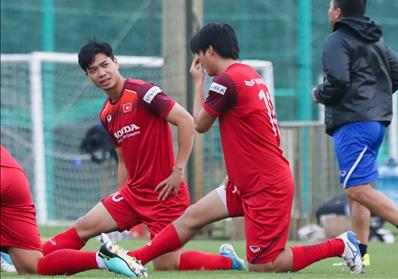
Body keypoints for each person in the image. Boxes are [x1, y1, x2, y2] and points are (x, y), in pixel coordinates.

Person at [104, 22, 364, 274]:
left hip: (265, 186)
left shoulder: (226, 81)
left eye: (199, 55)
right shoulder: (250, 74)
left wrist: (197, 82)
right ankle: (132, 258)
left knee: (265, 265)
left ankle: (340, 245)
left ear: (209, 51)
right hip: (245, 182)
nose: (200, 63)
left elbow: (199, 124)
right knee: (190, 218)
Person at [42, 41, 237, 272]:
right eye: (93, 70)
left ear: (116, 62)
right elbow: (123, 159)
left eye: (105, 65)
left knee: (166, 265)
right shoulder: (106, 113)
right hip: (133, 194)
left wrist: (178, 170)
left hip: (165, 194)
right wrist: (119, 194)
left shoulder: (143, 92)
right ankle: (26, 257)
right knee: (83, 226)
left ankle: (229, 262)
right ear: (87, 76)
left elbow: (185, 120)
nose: (102, 73)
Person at [311, 0, 398, 266]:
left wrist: (319, 94)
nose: (328, 12)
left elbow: (338, 80)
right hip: (375, 122)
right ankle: (360, 255)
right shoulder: (375, 39)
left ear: (338, 12)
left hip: (354, 123)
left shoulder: (336, 40)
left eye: (330, 7)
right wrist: (375, 98)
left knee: (354, 190)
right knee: (359, 190)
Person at [0, 144, 144, 276]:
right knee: (30, 267)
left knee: (83, 229)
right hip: (15, 175)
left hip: (150, 193)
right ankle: (103, 259)